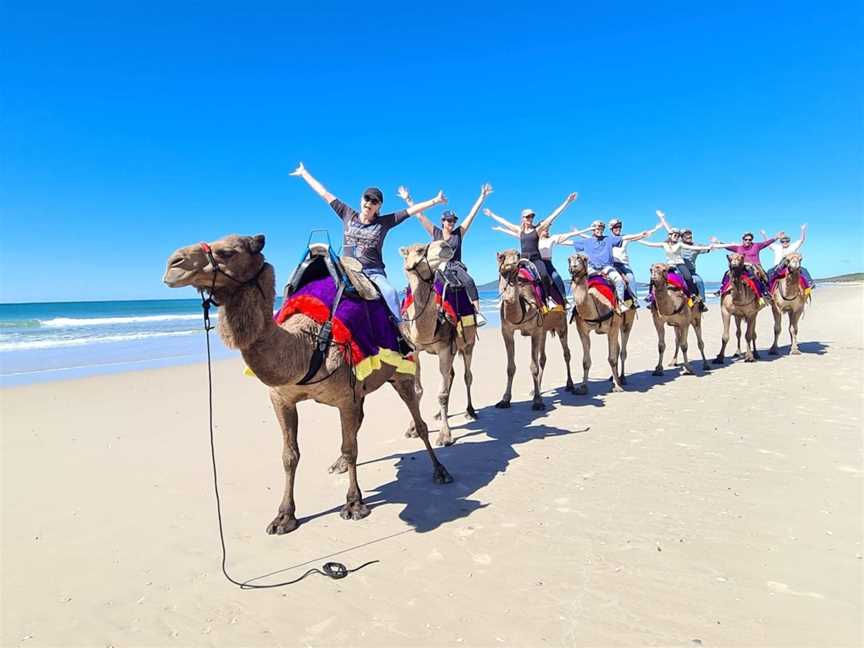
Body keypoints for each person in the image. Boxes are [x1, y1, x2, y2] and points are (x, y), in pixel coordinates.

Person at [290, 162, 445, 321]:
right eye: (367, 198)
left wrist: (435, 201)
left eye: (374, 201)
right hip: (346, 269)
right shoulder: (346, 213)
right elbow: (324, 193)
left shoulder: (384, 222)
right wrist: (304, 174)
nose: (369, 203)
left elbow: (411, 211)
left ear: (379, 207)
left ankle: (400, 334)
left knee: (391, 294)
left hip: (373, 272)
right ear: (361, 200)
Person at [397, 183, 493, 325]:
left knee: (469, 281)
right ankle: (405, 312)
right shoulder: (435, 232)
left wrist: (482, 197)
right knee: (417, 283)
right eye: (448, 220)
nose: (451, 223)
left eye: (453, 221)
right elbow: (420, 216)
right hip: (437, 266)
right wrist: (408, 199)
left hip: (455, 266)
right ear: (442, 221)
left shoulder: (458, 233)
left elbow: (471, 215)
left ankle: (477, 313)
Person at [485, 192, 579, 307]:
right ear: (523, 218)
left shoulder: (538, 230)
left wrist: (567, 202)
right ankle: (503, 298)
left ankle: (548, 298)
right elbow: (505, 222)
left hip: (536, 259)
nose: (530, 218)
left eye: (532, 216)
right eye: (528, 216)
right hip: (523, 260)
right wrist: (491, 215)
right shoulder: (519, 230)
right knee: (507, 272)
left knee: (544, 275)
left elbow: (553, 216)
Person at [492, 222, 591, 305]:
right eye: (544, 228)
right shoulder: (533, 238)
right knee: (511, 274)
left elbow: (568, 235)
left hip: (546, 263)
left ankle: (564, 299)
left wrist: (585, 230)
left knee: (556, 278)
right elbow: (515, 233)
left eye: (548, 229)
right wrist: (501, 229)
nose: (546, 230)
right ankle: (504, 298)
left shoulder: (552, 239)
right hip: (530, 262)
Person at [568, 220, 652, 314]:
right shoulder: (587, 241)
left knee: (619, 280)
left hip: (607, 267)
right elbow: (570, 242)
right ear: (592, 230)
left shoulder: (608, 239)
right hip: (592, 269)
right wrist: (557, 240)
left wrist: (640, 233)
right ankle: (576, 307)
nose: (599, 230)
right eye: (597, 228)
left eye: (601, 228)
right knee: (579, 283)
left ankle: (621, 303)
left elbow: (625, 237)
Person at [653, 210, 713, 309]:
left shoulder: (696, 246)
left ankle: (701, 303)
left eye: (690, 235)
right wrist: (662, 218)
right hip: (677, 269)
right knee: (659, 278)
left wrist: (714, 244)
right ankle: (653, 301)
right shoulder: (677, 243)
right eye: (686, 235)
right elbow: (669, 229)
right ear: (682, 237)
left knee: (699, 281)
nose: (689, 237)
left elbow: (708, 248)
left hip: (691, 272)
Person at [708, 230, 785, 302]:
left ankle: (764, 292)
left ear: (752, 240)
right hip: (741, 266)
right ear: (743, 239)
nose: (748, 241)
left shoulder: (756, 246)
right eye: (746, 239)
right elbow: (727, 246)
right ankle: (721, 290)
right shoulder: (738, 247)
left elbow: (766, 243)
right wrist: (717, 241)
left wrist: (776, 237)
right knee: (727, 273)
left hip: (755, 266)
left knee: (764, 277)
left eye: (750, 239)